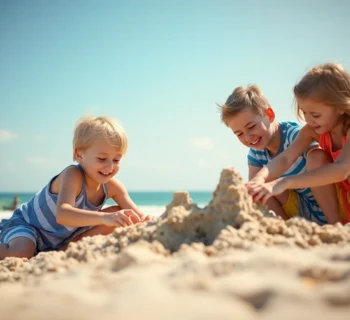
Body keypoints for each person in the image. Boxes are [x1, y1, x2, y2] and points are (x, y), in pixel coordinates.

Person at [0, 116, 149, 260]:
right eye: (102, 159)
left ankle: (59, 253)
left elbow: (138, 217)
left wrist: (148, 221)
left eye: (116, 159)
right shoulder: (73, 175)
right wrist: (105, 217)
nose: (110, 166)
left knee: (121, 215)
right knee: (21, 253)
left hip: (62, 241)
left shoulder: (113, 187)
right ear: (79, 154)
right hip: (28, 227)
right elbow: (63, 214)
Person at [246, 63, 350, 224]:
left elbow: (342, 169)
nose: (308, 120)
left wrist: (284, 182)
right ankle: (335, 225)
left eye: (315, 114)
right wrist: (258, 180)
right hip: (343, 197)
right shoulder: (311, 131)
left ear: (341, 107)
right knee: (316, 159)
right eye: (304, 112)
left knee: (317, 158)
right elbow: (285, 159)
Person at [220, 84, 339, 224]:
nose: (248, 137)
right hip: (303, 211)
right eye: (239, 134)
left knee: (315, 156)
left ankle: (335, 223)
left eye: (251, 127)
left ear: (269, 115)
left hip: (334, 204)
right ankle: (284, 227)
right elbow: (255, 184)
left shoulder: (295, 135)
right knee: (259, 189)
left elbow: (320, 160)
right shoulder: (255, 154)